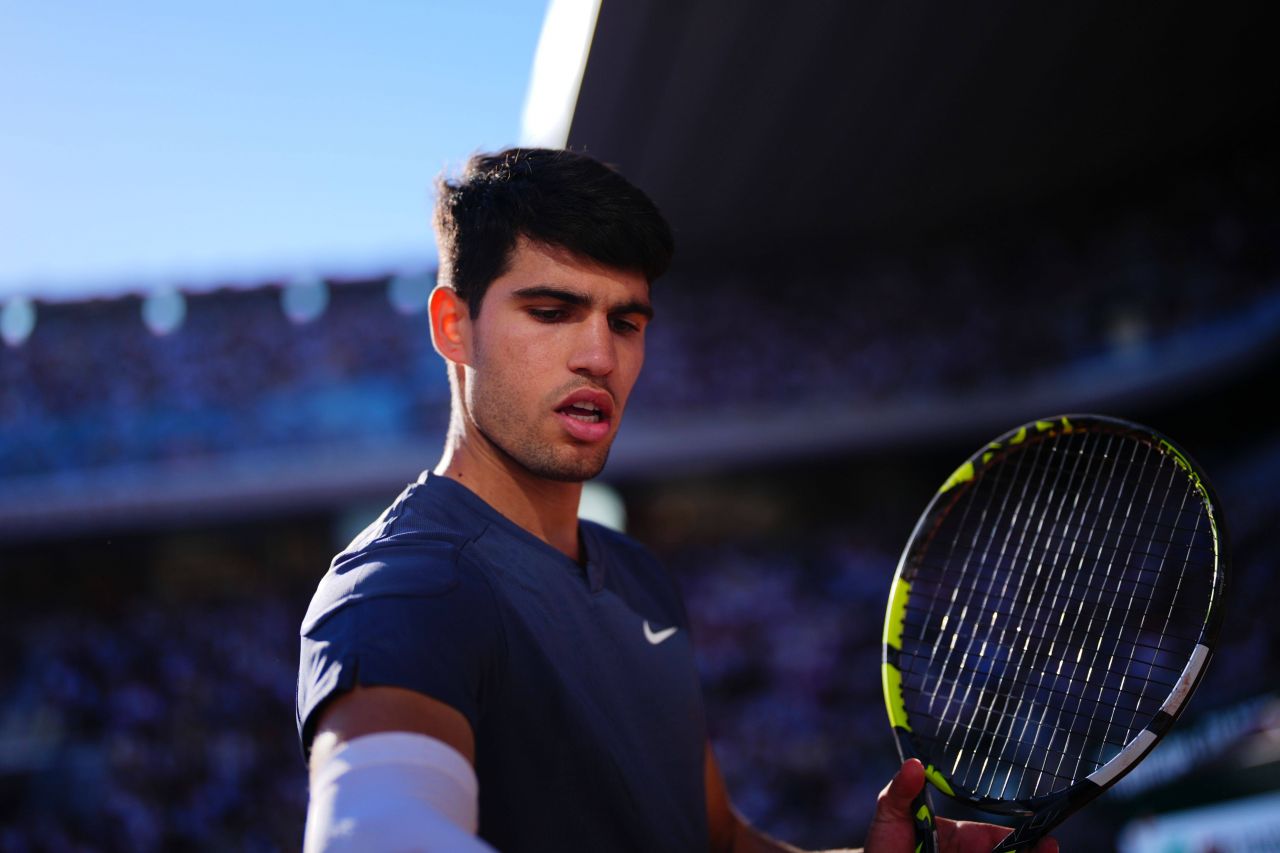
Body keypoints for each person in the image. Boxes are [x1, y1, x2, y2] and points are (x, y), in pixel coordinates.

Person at [295, 147, 1056, 852]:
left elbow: (714, 838)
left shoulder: (638, 574)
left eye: (626, 322)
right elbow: (373, 831)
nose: (599, 355)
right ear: (453, 326)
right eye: (552, 312)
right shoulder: (405, 583)